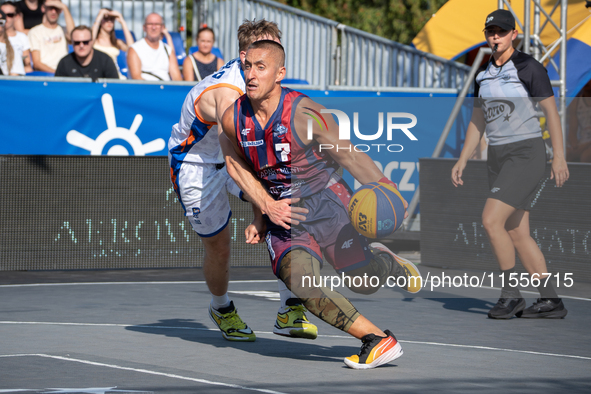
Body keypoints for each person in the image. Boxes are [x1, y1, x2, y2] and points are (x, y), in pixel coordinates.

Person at [221, 40, 422, 369]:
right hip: (284, 213)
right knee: (301, 282)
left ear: (279, 73)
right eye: (247, 66)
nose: (252, 74)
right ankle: (376, 339)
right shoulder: (233, 118)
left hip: (328, 204)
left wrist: (387, 189)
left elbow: (349, 155)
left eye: (261, 67)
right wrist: (264, 210)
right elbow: (236, 165)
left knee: (364, 282)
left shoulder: (305, 114)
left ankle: (386, 264)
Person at [168, 19, 318, 343]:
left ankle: (289, 308)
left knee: (287, 207)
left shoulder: (267, 83)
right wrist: (262, 207)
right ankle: (221, 307)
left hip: (232, 159)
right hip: (197, 164)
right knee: (220, 247)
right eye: (262, 52)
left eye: (275, 50)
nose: (270, 56)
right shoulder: (229, 92)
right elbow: (235, 158)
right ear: (243, 56)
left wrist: (269, 207)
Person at [451, 9, 569, 319]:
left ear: (513, 34)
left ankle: (510, 295)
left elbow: (552, 114)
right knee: (517, 231)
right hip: (498, 157)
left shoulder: (529, 67)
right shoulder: (483, 74)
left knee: (491, 220)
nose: (495, 37)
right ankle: (551, 300)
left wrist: (558, 155)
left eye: (501, 32)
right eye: (491, 31)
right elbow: (478, 121)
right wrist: (462, 158)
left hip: (526, 154)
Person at [127, 12, 181, 81]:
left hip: (166, 90)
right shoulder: (135, 49)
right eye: (150, 24)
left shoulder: (168, 50)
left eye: (157, 24)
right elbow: (137, 78)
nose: (153, 27)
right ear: (144, 27)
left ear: (162, 27)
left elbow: (177, 78)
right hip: (145, 90)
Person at [54, 25, 119, 80]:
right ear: (72, 43)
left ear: (91, 42)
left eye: (85, 42)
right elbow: (58, 90)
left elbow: (114, 87)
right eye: (77, 43)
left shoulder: (105, 60)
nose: (81, 46)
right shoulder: (64, 63)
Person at [27, 0, 74, 73]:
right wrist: (56, 73)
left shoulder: (64, 30)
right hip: (44, 74)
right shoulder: (35, 32)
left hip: (64, 73)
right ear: (43, 8)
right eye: (50, 8)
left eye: (57, 8)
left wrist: (64, 7)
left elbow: (73, 36)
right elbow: (37, 63)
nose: (53, 11)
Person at [91, 8, 135, 79]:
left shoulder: (116, 42)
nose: (109, 22)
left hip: (114, 76)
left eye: (112, 19)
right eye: (106, 19)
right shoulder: (93, 41)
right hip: (98, 76)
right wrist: (99, 17)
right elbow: (89, 42)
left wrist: (122, 22)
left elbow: (132, 49)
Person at [1, 2, 32, 75]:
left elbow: (27, 63)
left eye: (10, 15)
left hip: (16, 77)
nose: (5, 18)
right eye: (3, 14)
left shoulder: (22, 37)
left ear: (16, 16)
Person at [566, 80, 591, 163]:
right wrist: (574, 144)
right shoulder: (576, 102)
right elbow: (572, 130)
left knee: (586, 156)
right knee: (566, 153)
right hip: (583, 140)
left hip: (587, 144)